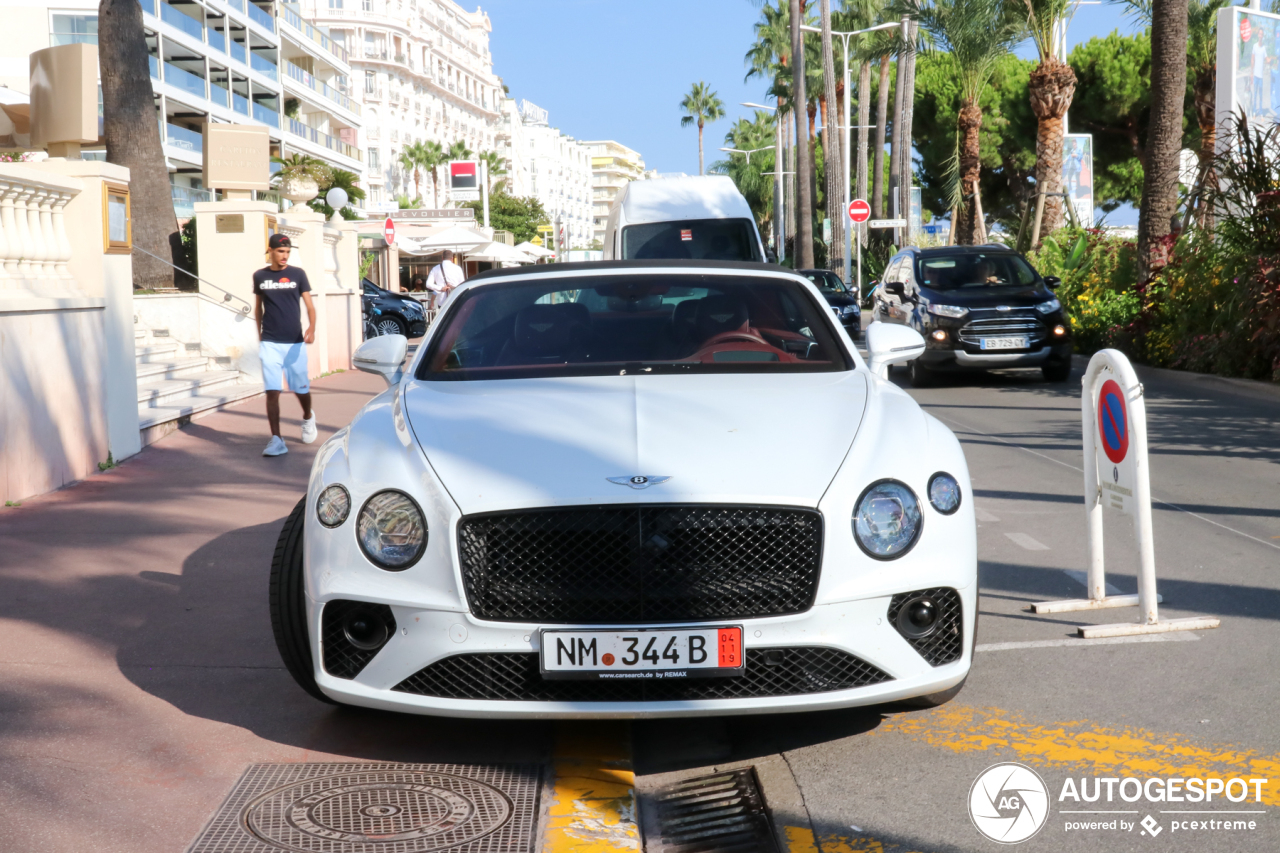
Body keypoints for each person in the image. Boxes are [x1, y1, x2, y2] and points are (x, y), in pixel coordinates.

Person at [254, 234, 317, 457]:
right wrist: (260, 336)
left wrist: (311, 328)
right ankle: (276, 439)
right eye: (281, 251)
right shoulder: (260, 276)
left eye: (288, 252)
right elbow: (258, 308)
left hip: (294, 342)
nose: (284, 256)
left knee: (300, 388)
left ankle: (308, 416)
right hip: (270, 341)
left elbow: (310, 306)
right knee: (272, 390)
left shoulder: (297, 274)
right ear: (270, 250)